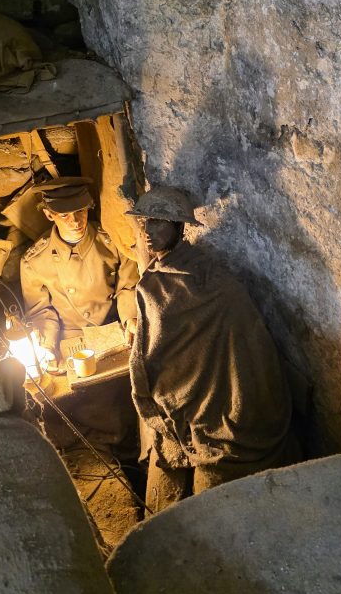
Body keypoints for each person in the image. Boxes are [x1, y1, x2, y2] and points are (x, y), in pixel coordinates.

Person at [126, 186, 298, 513]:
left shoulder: (213, 284)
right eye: (146, 221)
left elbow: (237, 343)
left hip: (211, 397)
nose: (148, 230)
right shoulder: (153, 279)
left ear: (179, 227)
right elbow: (161, 345)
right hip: (176, 387)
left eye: (159, 222)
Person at [20, 176, 139, 357]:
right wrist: (47, 347)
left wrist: (131, 318)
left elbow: (128, 286)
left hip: (117, 330)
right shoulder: (34, 262)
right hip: (73, 341)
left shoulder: (113, 241)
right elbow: (40, 311)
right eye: (64, 215)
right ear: (49, 215)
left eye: (80, 211)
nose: (75, 221)